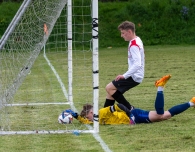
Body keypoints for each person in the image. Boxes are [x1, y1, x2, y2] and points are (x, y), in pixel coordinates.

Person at [63, 75, 195, 125]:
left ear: (91, 113)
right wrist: (75, 115)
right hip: (134, 115)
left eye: (88, 116)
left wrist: (130, 115)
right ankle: (192, 102)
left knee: (161, 115)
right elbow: (85, 122)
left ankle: (160, 87)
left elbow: (117, 106)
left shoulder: (100, 114)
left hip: (134, 117)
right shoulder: (94, 120)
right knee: (165, 115)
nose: (89, 119)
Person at [104, 21, 145, 110]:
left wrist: (124, 76)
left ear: (129, 32)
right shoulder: (136, 40)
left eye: (123, 33)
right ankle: (105, 114)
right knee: (111, 91)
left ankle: (130, 109)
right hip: (135, 74)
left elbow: (138, 64)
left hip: (134, 76)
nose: (121, 35)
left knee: (109, 88)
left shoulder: (134, 44)